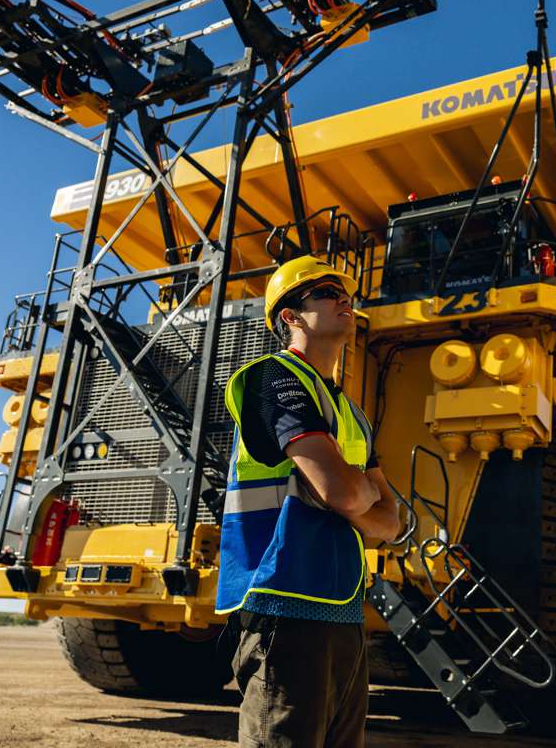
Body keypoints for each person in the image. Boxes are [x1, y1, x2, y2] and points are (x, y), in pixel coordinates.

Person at [215, 255, 401, 748]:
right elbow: (346, 492)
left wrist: (351, 494)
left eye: (345, 293)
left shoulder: (349, 412)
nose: (344, 299)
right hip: (284, 605)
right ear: (290, 317)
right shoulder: (272, 378)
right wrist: (357, 494)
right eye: (323, 292)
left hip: (343, 613)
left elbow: (392, 521)